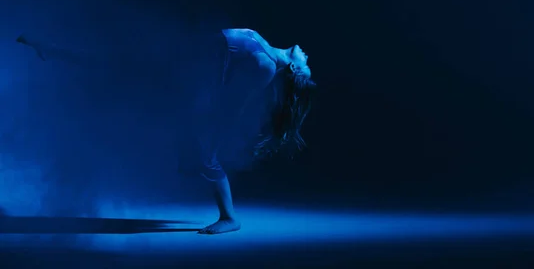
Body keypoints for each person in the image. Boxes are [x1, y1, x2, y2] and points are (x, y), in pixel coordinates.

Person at [16, 28, 315, 234]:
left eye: (307, 64)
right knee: (114, 64)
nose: (307, 55)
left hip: (181, 76)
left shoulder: (264, 66)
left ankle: (229, 217)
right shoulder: (265, 51)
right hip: (180, 65)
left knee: (114, 68)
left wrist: (205, 124)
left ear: (294, 71)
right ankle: (53, 50)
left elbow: (231, 100)